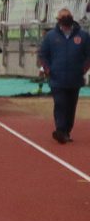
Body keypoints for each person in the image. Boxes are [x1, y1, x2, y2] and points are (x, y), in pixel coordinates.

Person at [38, 8, 90, 144]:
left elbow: (89, 55)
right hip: (57, 78)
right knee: (60, 104)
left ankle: (67, 131)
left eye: (67, 17)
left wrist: (83, 69)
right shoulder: (50, 36)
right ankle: (60, 130)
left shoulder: (83, 36)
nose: (65, 20)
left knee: (71, 106)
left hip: (75, 78)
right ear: (58, 20)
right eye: (63, 17)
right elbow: (43, 54)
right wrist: (48, 69)